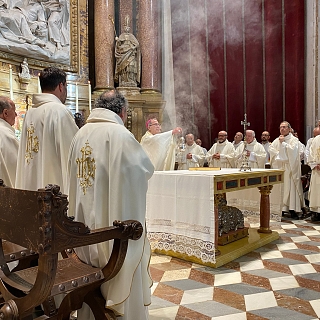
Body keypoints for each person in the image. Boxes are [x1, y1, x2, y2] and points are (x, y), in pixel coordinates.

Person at [67, 90, 154, 320]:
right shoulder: (120, 135)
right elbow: (144, 171)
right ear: (123, 112)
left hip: (82, 239)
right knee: (127, 249)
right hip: (112, 242)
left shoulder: (80, 133)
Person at [15, 67, 78, 193]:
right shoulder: (59, 111)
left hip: (31, 186)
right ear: (61, 86)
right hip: (54, 193)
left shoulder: (30, 113)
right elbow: (74, 152)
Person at [269, 121, 305, 219]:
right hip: (280, 167)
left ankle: (292, 209)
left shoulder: (294, 140)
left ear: (289, 129)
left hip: (290, 168)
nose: (282, 129)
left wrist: (283, 144)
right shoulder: (276, 140)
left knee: (291, 188)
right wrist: (279, 156)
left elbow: (294, 152)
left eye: (284, 127)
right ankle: (282, 208)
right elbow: (272, 150)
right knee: (281, 188)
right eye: (281, 127)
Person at [114, 15, 140, 87]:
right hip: (123, 54)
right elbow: (118, 46)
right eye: (125, 27)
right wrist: (117, 41)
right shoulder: (121, 36)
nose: (127, 29)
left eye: (128, 27)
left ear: (129, 28)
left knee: (131, 67)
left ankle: (131, 80)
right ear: (124, 28)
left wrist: (132, 47)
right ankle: (123, 80)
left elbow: (137, 44)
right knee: (124, 68)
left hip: (131, 53)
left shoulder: (132, 36)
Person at [0, 96, 19, 187]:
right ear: (5, 113)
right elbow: (17, 168)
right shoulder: (7, 136)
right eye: (14, 111)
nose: (16, 115)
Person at [307, 132, 320, 221]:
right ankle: (316, 212)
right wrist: (315, 164)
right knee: (316, 191)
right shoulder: (316, 139)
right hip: (317, 170)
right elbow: (310, 153)